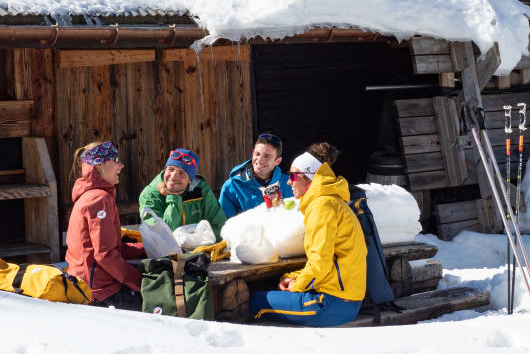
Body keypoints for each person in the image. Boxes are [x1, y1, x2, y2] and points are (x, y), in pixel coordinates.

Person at [249, 143, 367, 327]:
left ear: (310, 178)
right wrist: (294, 277)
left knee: (255, 302)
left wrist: (296, 285)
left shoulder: (321, 206)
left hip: (330, 303)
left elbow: (320, 263)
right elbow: (326, 261)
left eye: (293, 176)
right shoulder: (331, 201)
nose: (289, 182)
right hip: (345, 300)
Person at [66, 141, 145, 310]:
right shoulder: (99, 199)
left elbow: (112, 248)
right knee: (164, 300)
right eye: (116, 160)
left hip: (86, 286)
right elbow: (105, 255)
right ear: (99, 165)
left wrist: (145, 248)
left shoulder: (90, 196)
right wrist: (141, 283)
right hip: (100, 293)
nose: (121, 165)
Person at [139, 148, 227, 240]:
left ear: (190, 180)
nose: (173, 177)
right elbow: (162, 235)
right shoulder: (149, 195)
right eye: (170, 169)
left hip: (200, 245)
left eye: (181, 173)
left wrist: (195, 240)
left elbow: (220, 226)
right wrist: (173, 197)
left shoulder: (201, 190)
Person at [219, 133, 294, 218]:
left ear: (278, 161)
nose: (260, 160)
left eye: (267, 156)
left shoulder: (290, 184)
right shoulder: (232, 186)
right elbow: (225, 223)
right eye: (257, 154)